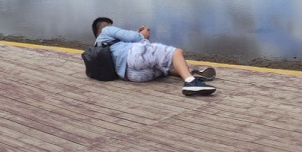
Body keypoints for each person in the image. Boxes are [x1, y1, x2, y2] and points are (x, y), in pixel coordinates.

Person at [83, 17, 215, 95]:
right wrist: (143, 34)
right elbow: (134, 38)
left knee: (163, 68)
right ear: (103, 27)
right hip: (134, 56)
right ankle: (190, 83)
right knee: (176, 52)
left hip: (133, 76)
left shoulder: (98, 46)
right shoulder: (106, 30)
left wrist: (137, 37)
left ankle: (189, 73)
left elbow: (123, 48)